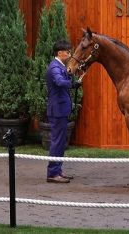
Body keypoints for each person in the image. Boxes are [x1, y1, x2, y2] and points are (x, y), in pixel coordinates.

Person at [46, 39, 78, 183]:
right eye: (67, 52)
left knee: (60, 142)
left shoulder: (59, 66)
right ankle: (53, 173)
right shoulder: (54, 67)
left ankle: (57, 170)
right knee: (57, 142)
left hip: (60, 110)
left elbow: (63, 77)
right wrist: (72, 84)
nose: (69, 54)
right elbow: (59, 82)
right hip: (57, 110)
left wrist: (70, 75)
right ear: (60, 53)